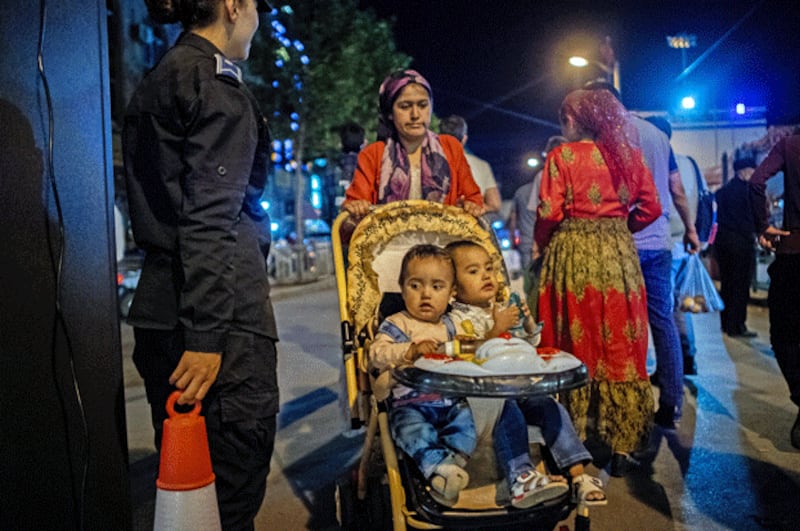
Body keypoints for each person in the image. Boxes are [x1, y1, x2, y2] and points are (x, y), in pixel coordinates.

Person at [122, 1, 277, 528]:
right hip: (220, 327)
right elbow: (211, 220)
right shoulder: (213, 86)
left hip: (162, 311)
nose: (259, 18)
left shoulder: (157, 77)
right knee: (227, 503)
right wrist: (208, 336)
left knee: (186, 503)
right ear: (233, 6)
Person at [370, 244, 565, 507]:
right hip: (411, 402)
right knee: (411, 430)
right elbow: (376, 353)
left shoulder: (451, 325)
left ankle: (450, 468)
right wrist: (409, 350)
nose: (426, 294)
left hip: (451, 400)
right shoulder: (397, 323)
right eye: (415, 286)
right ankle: (439, 469)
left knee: (466, 425)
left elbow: (474, 351)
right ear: (402, 287)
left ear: (451, 294)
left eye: (436, 287)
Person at [534, 88, 661, 477]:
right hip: (619, 259)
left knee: (575, 339)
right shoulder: (629, 157)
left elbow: (549, 210)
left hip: (572, 256)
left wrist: (541, 247)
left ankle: (574, 437)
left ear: (570, 121)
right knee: (621, 340)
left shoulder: (561, 157)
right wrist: (621, 227)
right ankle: (623, 442)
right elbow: (652, 207)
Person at [446, 240, 605, 506]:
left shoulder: (499, 308)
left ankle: (578, 475)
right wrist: (495, 331)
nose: (486, 275)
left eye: (489, 268)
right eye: (473, 272)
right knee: (509, 408)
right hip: (482, 400)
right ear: (451, 289)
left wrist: (528, 325)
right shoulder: (453, 320)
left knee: (549, 406)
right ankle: (521, 476)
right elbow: (462, 355)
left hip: (516, 387)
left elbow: (523, 349)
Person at [584, 81, 700, 432]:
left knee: (617, 325)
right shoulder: (657, 135)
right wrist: (691, 229)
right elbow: (677, 190)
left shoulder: (601, 138)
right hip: (658, 242)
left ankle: (620, 405)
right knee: (661, 320)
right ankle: (671, 403)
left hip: (619, 242)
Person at [342, 70, 483, 220]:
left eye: (423, 105)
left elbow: (473, 198)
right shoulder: (373, 155)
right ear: (389, 113)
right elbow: (351, 212)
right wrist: (356, 208)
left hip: (445, 242)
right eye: (405, 106)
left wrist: (470, 206)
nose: (415, 115)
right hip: (387, 242)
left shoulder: (451, 147)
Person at [747, 128, 798, 449]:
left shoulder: (790, 144)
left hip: (795, 253)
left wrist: (763, 225)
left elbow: (756, 182)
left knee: (785, 333)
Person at [645, 115, 703, 375]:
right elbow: (701, 197)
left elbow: (673, 194)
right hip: (686, 240)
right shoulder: (689, 163)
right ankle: (688, 355)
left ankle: (670, 366)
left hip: (663, 240)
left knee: (663, 308)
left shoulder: (655, 162)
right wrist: (695, 232)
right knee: (684, 302)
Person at [507, 135, 567, 307]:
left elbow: (542, 214)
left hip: (538, 241)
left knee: (535, 284)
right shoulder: (580, 171)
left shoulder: (539, 178)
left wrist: (533, 243)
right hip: (568, 241)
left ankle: (536, 320)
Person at [714, 157, 758, 337]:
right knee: (741, 285)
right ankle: (737, 326)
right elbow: (753, 218)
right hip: (742, 243)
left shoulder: (721, 192)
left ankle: (725, 323)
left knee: (727, 283)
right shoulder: (749, 192)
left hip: (723, 243)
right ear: (745, 171)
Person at [439, 115, 502, 215]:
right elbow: (495, 204)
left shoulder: (429, 159)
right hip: (468, 225)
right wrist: (475, 208)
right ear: (464, 138)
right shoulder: (481, 165)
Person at [333, 121, 366, 212]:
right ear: (362, 141)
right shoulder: (365, 163)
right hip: (360, 214)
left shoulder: (335, 164)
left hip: (338, 216)